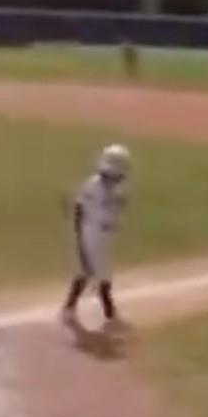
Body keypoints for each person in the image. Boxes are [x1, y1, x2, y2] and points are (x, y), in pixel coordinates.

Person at [60, 144, 132, 336]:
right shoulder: (93, 184)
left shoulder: (117, 189)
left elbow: (115, 210)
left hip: (101, 236)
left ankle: (68, 309)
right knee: (103, 277)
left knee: (86, 273)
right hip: (92, 235)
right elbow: (78, 209)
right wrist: (79, 239)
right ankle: (110, 315)